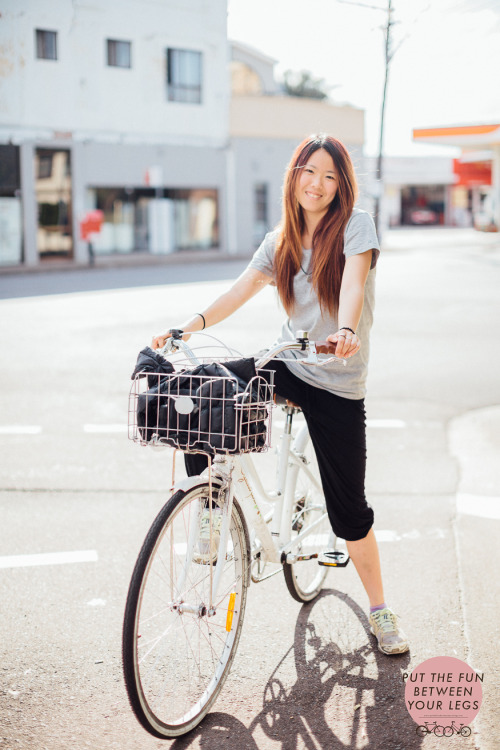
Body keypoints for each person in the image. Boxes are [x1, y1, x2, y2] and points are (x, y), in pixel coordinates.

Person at [152, 133, 409, 656]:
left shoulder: (355, 225)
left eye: (330, 176)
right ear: (294, 176)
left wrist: (347, 330)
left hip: (337, 376)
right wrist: (187, 327)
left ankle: (381, 610)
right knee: (201, 390)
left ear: (341, 186)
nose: (318, 184)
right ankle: (208, 509)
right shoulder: (280, 240)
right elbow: (240, 290)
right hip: (288, 362)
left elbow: (354, 285)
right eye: (309, 172)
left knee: (350, 512)